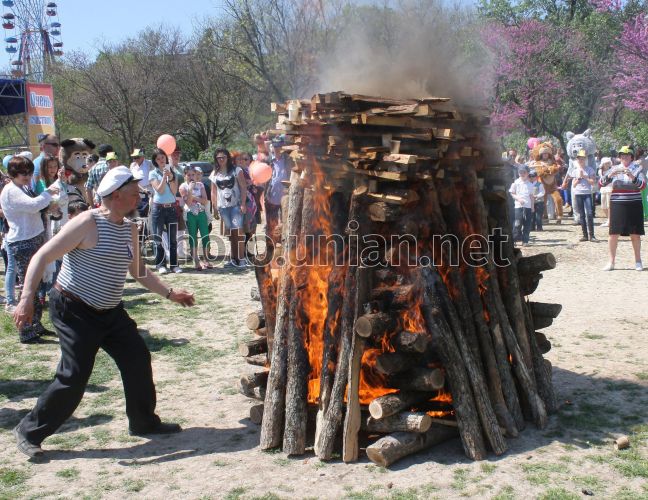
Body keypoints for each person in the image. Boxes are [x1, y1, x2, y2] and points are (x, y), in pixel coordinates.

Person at [11, 166, 195, 458]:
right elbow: (42, 256)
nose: (139, 198)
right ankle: (29, 430)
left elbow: (138, 271)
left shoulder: (130, 227)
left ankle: (143, 421)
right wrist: (26, 298)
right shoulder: (87, 222)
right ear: (116, 195)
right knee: (74, 376)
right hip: (74, 309)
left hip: (110, 311)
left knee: (137, 358)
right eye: (134, 193)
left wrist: (171, 294)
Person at [0, 156, 59, 343]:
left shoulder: (21, 187)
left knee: (38, 286)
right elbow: (34, 206)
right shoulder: (11, 190)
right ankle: (25, 331)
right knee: (28, 288)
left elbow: (38, 207)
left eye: (28, 172)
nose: (26, 175)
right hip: (23, 242)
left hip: (34, 238)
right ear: (12, 173)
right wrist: (48, 193)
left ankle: (35, 324)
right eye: (22, 172)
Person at [599, 146, 646, 271]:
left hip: (634, 203)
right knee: (613, 233)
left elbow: (642, 186)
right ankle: (611, 262)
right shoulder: (614, 169)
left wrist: (632, 177)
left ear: (631, 157)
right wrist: (610, 176)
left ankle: (638, 261)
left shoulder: (637, 168)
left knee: (635, 234)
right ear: (619, 157)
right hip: (617, 204)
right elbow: (600, 183)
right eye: (622, 156)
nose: (624, 157)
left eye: (627, 155)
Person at [210, 148, 248, 268]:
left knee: (238, 232)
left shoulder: (237, 170)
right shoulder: (214, 174)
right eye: (219, 158)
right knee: (231, 233)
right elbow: (213, 192)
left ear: (228, 158)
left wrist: (243, 203)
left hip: (235, 206)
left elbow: (243, 187)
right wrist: (215, 207)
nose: (221, 160)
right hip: (223, 207)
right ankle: (233, 258)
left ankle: (241, 259)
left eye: (223, 157)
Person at [149, 148, 182, 274]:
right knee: (158, 238)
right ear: (155, 161)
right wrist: (163, 176)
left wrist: (172, 178)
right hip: (158, 209)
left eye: (163, 157)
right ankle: (161, 265)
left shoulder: (173, 172)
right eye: (158, 159)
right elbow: (160, 190)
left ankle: (174, 265)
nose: (161, 160)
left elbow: (174, 191)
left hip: (172, 208)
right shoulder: (152, 173)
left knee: (172, 238)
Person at [179, 165, 211, 270]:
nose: (191, 177)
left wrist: (193, 197)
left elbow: (205, 200)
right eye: (188, 175)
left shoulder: (200, 185)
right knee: (193, 236)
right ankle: (196, 260)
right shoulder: (183, 187)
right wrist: (191, 190)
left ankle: (206, 259)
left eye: (193, 174)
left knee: (205, 235)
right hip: (190, 214)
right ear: (185, 176)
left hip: (201, 212)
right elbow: (188, 202)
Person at [264, 138, 290, 241]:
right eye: (276, 147)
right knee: (271, 222)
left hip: (285, 195)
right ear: (273, 148)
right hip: (272, 196)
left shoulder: (288, 159)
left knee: (286, 221)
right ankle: (271, 245)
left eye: (280, 146)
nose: (278, 149)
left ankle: (283, 243)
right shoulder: (268, 160)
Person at [571, 149, 597, 242]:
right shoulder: (575, 171)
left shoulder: (590, 169)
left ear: (585, 159)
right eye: (579, 159)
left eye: (582, 158)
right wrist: (578, 179)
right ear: (577, 160)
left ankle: (592, 235)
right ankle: (585, 235)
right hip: (578, 193)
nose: (581, 160)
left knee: (589, 213)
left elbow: (592, 182)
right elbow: (573, 185)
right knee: (581, 215)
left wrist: (585, 176)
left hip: (587, 193)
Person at [509, 165, 534, 246]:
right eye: (520, 172)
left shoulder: (530, 184)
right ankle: (515, 240)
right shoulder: (516, 183)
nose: (522, 174)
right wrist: (518, 199)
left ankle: (525, 240)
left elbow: (531, 196)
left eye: (524, 172)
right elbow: (512, 193)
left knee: (527, 224)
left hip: (528, 206)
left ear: (527, 173)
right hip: (518, 206)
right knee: (517, 223)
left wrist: (532, 206)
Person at [598, 157, 613, 227]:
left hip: (610, 188)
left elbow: (607, 180)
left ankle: (610, 221)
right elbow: (601, 181)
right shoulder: (600, 171)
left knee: (609, 206)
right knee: (603, 206)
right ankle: (609, 219)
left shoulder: (612, 170)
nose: (607, 164)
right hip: (603, 189)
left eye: (608, 163)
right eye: (606, 163)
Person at [529, 167, 545, 231]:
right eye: (530, 176)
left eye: (533, 176)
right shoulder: (528, 184)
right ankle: (532, 227)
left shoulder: (539, 184)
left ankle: (539, 227)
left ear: (536, 177)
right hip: (531, 202)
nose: (531, 177)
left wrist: (536, 196)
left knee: (539, 215)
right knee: (532, 215)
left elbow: (543, 192)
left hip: (539, 201)